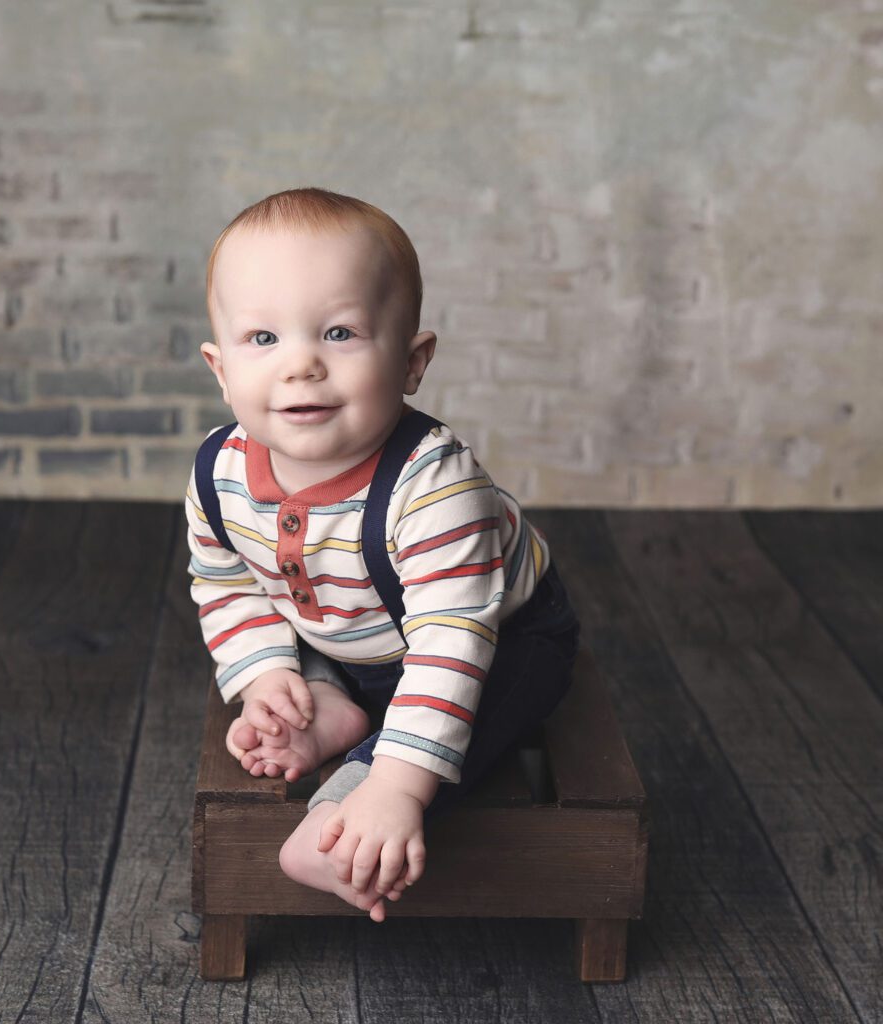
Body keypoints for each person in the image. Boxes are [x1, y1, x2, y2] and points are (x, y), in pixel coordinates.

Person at [185, 187, 581, 922]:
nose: (300, 365)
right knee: (288, 654)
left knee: (478, 714)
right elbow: (229, 581)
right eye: (263, 339)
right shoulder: (220, 473)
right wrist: (267, 674)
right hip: (353, 635)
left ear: (411, 360)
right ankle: (326, 701)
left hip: (493, 638)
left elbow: (449, 649)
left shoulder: (432, 486)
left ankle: (344, 815)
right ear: (220, 368)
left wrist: (396, 788)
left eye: (339, 334)